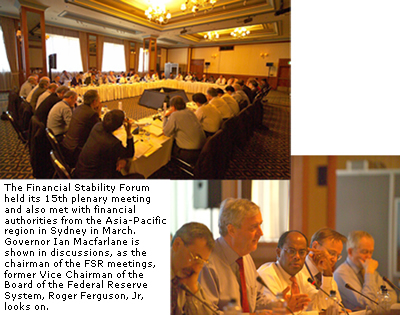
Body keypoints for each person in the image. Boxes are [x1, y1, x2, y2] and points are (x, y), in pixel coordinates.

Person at [199, 198, 271, 313]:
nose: (261, 233)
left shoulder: (245, 256)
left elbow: (256, 300)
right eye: (253, 227)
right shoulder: (208, 263)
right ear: (232, 230)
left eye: (260, 225)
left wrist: (277, 304)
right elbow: (207, 312)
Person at [258, 230, 339, 312]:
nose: (297, 257)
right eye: (291, 251)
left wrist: (327, 273)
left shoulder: (299, 276)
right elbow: (274, 311)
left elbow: (321, 305)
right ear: (278, 253)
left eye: (302, 252)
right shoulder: (267, 275)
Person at [334, 231, 397, 311]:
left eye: (371, 252)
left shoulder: (367, 268)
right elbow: (368, 303)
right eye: (364, 252)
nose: (369, 256)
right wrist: (369, 273)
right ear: (350, 252)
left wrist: (376, 305)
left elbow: (393, 295)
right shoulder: (341, 274)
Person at [74, 110, 139, 179]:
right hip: (93, 178)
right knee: (139, 177)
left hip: (80, 171)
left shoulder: (97, 126)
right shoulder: (113, 143)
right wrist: (128, 133)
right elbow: (130, 153)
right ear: (120, 125)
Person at [171, 222, 216, 315]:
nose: (196, 268)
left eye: (202, 262)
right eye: (196, 258)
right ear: (177, 244)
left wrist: (192, 289)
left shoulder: (187, 277)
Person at [300, 228, 347, 302]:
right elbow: (314, 306)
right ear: (315, 246)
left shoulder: (326, 273)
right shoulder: (298, 270)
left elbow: (336, 304)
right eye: (331, 253)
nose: (334, 259)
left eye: (337, 256)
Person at [62, 89, 102, 167]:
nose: (100, 102)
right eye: (99, 100)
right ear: (94, 102)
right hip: (76, 151)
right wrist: (99, 113)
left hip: (67, 145)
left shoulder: (79, 108)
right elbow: (100, 129)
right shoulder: (92, 114)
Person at [163, 96, 206, 164]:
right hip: (203, 147)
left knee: (169, 147)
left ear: (173, 107)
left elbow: (166, 133)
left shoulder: (175, 115)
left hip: (189, 152)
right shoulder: (190, 112)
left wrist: (165, 117)